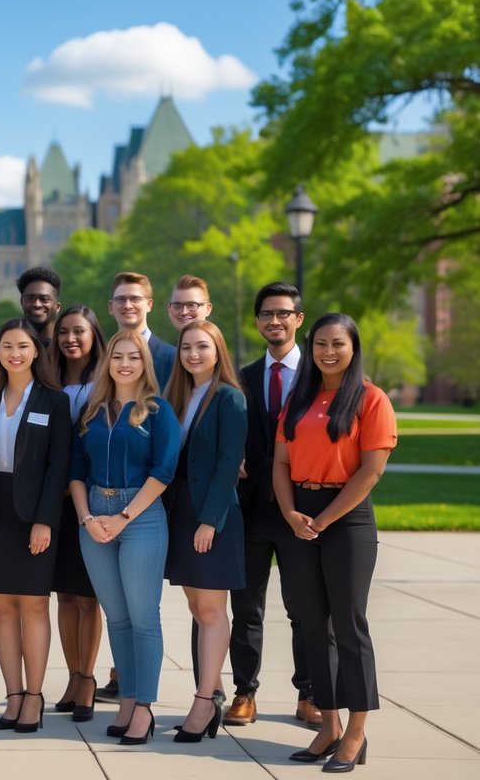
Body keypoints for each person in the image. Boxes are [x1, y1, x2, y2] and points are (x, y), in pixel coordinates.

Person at [275, 314, 396, 772]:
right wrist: (291, 514)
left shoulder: (371, 398)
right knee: (312, 625)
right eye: (321, 343)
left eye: (338, 343)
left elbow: (372, 471)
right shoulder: (300, 399)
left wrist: (324, 519)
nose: (328, 352)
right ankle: (328, 725)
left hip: (346, 519)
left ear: (353, 348)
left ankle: (356, 733)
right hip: (300, 516)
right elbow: (281, 463)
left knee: (348, 625)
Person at [69, 329, 179, 745]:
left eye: (134, 356)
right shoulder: (91, 412)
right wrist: (87, 518)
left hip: (141, 516)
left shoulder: (158, 411)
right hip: (95, 515)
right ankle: (128, 698)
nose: (125, 364)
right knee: (116, 617)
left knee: (143, 617)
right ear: (108, 363)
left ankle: (144, 707)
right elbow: (75, 471)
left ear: (144, 363)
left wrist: (124, 517)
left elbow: (164, 472)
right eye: (118, 356)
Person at [226, 282, 325, 728]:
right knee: (246, 608)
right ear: (257, 321)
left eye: (283, 313)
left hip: (302, 509)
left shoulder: (320, 376)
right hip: (250, 510)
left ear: (299, 319)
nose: (274, 321)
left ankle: (310, 693)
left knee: (304, 607)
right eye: (266, 314)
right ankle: (244, 692)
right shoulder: (242, 377)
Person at [0, 319, 70, 734]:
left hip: (34, 514)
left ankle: (35, 696)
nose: (15, 353)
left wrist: (45, 520)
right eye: (7, 346)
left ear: (36, 351)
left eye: (23, 346)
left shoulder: (54, 401)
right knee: (3, 607)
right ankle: (13, 695)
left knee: (34, 604)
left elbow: (58, 466)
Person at [162, 320, 247, 743]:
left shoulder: (229, 397)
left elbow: (230, 462)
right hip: (179, 512)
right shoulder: (176, 397)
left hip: (211, 515)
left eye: (202, 347)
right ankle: (209, 694)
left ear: (218, 351)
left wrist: (210, 521)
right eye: (186, 347)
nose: (193, 354)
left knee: (212, 611)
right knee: (198, 608)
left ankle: (204, 700)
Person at [46, 305, 106, 721]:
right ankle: (71, 676)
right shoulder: (47, 380)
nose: (70, 339)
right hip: (56, 503)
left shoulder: (105, 381)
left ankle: (87, 678)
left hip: (91, 501)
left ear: (93, 335)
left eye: (79, 331)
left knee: (88, 597)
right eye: (64, 331)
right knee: (64, 595)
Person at [109, 271, 176, 390]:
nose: (128, 306)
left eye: (135, 299)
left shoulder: (172, 358)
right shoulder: (102, 358)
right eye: (120, 299)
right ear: (111, 307)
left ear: (149, 304)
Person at [17, 266, 62, 341]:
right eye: (30, 298)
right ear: (22, 302)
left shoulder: (68, 345)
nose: (37, 304)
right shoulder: (11, 345)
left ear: (57, 307)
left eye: (44, 299)